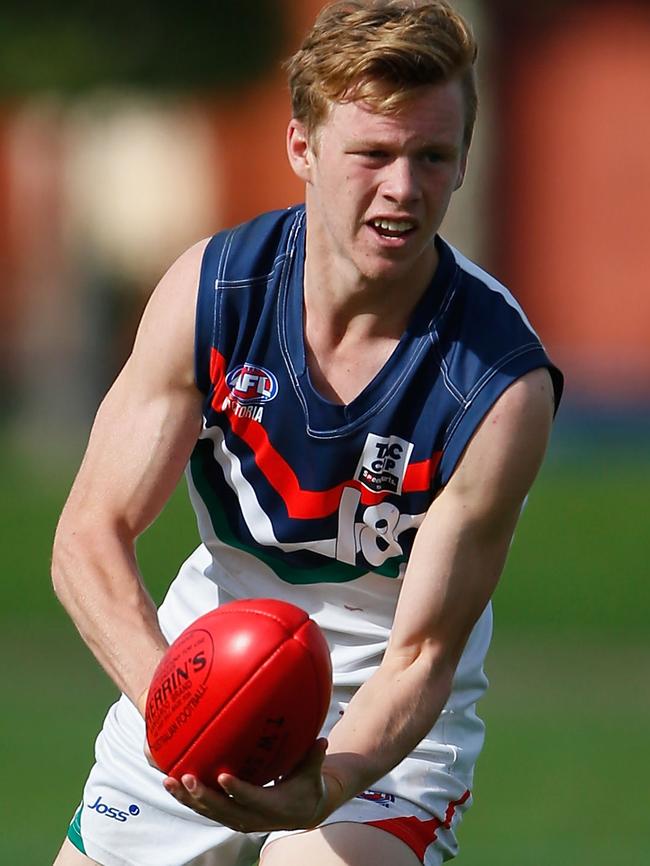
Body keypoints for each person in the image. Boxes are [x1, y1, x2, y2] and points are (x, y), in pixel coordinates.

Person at [51, 2, 563, 865]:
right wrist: (182, 709)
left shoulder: (499, 386)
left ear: (464, 161)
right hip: (201, 666)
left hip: (380, 725)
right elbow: (88, 537)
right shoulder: (211, 295)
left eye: (432, 157)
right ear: (302, 148)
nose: (404, 188)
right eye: (373, 153)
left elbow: (422, 656)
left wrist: (326, 784)